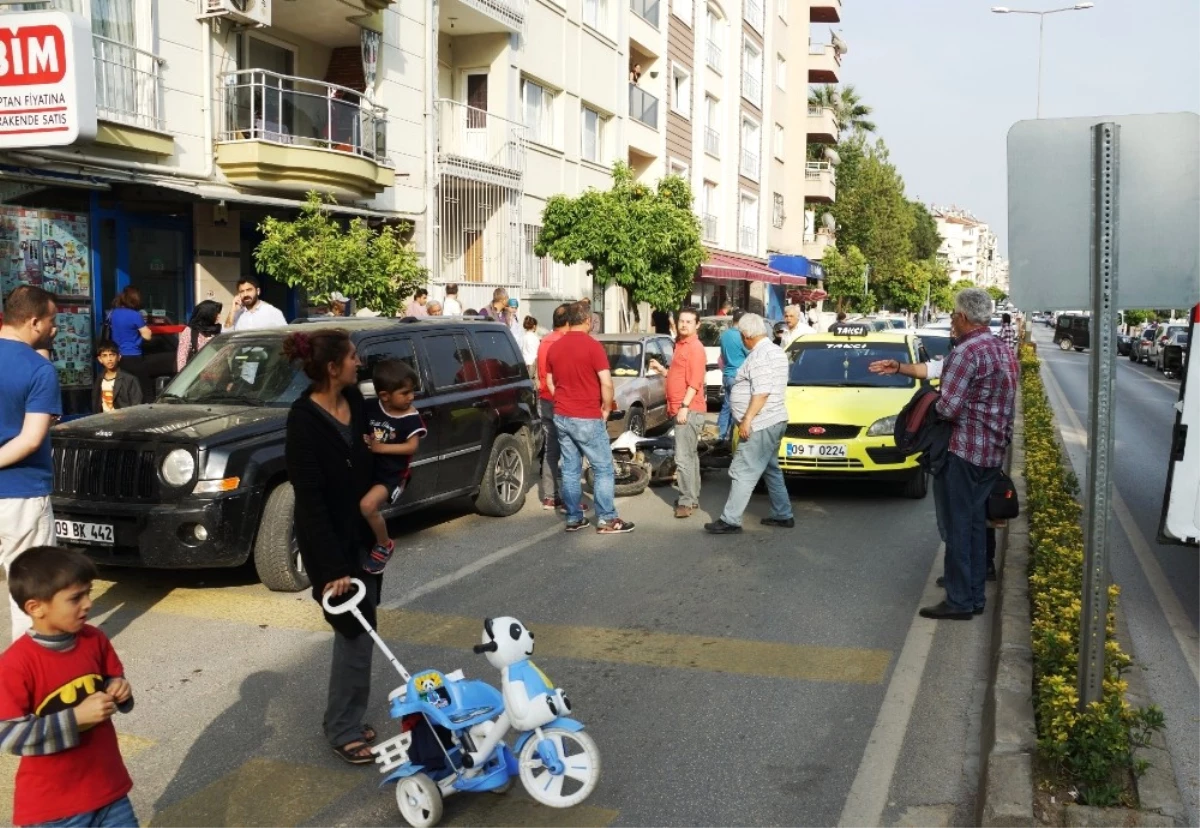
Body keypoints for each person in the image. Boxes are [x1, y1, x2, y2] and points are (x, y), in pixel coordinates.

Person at [283, 328, 380, 764]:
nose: (359, 363)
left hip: (364, 538)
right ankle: (342, 727)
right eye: (353, 357)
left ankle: (348, 717)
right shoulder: (303, 419)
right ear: (331, 367)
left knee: (365, 630)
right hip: (331, 549)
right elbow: (310, 498)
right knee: (354, 632)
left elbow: (369, 455)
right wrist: (332, 566)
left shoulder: (356, 401)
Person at [0, 546, 138, 828]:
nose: (88, 603)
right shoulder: (15, 664)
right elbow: (8, 735)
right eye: (76, 598)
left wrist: (119, 688)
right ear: (36, 608)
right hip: (54, 810)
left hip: (109, 792)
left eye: (88, 592)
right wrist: (75, 718)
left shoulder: (94, 639)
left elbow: (113, 676)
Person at [900, 289, 1016, 619]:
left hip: (963, 451)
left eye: (952, 315)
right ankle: (974, 595)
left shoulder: (965, 353)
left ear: (963, 318)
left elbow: (949, 408)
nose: (951, 320)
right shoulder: (1001, 348)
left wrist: (930, 405)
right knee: (977, 525)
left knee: (958, 527)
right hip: (991, 452)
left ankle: (960, 600)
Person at [0, 285, 60, 641]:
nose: (54, 328)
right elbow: (30, 439)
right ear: (34, 321)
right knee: (31, 593)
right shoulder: (40, 369)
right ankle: (32, 677)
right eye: (52, 321)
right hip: (22, 495)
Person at [545, 303, 634, 534]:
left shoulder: (555, 347)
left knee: (571, 469)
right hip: (586, 415)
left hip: (562, 415)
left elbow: (549, 381)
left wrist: (561, 400)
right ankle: (606, 519)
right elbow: (606, 382)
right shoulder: (593, 347)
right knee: (603, 468)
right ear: (587, 321)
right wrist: (605, 409)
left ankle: (574, 517)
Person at [705, 314, 793, 534]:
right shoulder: (776, 351)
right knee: (770, 468)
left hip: (761, 422)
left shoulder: (760, 355)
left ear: (746, 336)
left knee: (743, 470)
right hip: (774, 419)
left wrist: (747, 420)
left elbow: (761, 391)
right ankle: (783, 514)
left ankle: (730, 520)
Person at [360, 360, 426, 575]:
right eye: (405, 393)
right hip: (367, 469)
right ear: (384, 396)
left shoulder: (411, 418)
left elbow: (411, 447)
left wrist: (380, 448)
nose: (411, 397)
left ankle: (384, 543)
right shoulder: (370, 408)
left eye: (412, 392)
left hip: (391, 476)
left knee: (368, 506)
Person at [648, 307, 706, 519]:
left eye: (689, 322)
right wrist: (663, 371)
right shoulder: (680, 345)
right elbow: (679, 374)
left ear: (697, 325)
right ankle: (692, 497)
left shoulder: (695, 348)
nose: (684, 325)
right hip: (681, 408)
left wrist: (684, 406)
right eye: (682, 321)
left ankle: (685, 501)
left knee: (682, 458)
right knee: (690, 456)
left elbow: (695, 381)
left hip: (688, 409)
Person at [536, 304, 572, 511]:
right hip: (561, 400)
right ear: (568, 322)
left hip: (544, 399)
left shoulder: (545, 341)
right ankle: (569, 500)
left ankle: (550, 496)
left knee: (551, 449)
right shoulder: (563, 342)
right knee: (569, 451)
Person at [106, 286, 154, 398]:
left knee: (123, 390)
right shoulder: (135, 315)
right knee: (144, 390)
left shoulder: (113, 313)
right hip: (133, 356)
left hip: (118, 356)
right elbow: (147, 336)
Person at [717, 309, 749, 441]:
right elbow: (749, 354)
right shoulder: (742, 336)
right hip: (739, 375)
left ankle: (720, 435)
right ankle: (732, 437)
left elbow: (722, 356)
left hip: (727, 373)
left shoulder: (725, 335)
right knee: (738, 407)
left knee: (727, 406)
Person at [93, 340, 142, 413]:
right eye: (105, 355)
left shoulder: (130, 379)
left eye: (112, 355)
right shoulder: (99, 379)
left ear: (119, 357)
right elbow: (96, 403)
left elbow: (137, 405)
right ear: (100, 359)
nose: (109, 359)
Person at [177, 299, 223, 371]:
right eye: (216, 313)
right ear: (207, 314)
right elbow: (181, 359)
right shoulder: (190, 332)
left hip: (218, 376)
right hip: (197, 377)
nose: (219, 316)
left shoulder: (218, 329)